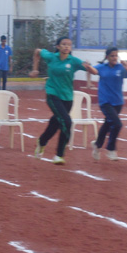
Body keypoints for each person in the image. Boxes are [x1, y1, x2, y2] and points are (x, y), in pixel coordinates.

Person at [30, 37, 96, 165]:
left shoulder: (74, 61)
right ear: (58, 46)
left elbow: (91, 70)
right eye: (64, 44)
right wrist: (35, 69)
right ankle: (59, 155)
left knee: (55, 124)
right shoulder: (51, 57)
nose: (66, 47)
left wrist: (89, 69)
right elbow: (37, 51)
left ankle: (42, 141)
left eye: (69, 45)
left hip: (68, 98)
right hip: (53, 94)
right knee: (67, 122)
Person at [91, 47, 127, 161]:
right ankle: (111, 149)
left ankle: (97, 145)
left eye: (116, 55)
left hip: (118, 102)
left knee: (107, 125)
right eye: (112, 56)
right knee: (117, 124)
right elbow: (92, 71)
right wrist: (88, 69)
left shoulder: (121, 68)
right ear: (107, 57)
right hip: (105, 102)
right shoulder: (102, 67)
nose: (114, 58)